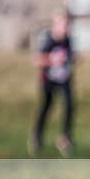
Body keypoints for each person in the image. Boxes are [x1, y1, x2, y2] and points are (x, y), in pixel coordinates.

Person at [29, 9, 75, 158]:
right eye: (63, 24)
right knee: (46, 107)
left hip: (64, 78)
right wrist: (52, 59)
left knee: (70, 104)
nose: (66, 27)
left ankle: (65, 138)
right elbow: (36, 60)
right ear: (56, 25)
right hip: (48, 79)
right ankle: (37, 136)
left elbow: (70, 57)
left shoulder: (68, 40)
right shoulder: (49, 40)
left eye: (68, 24)